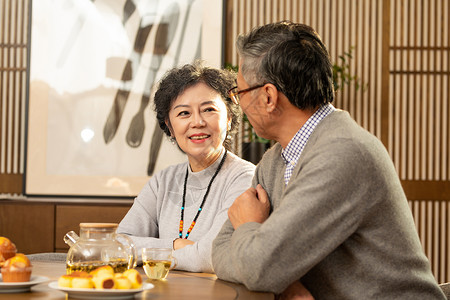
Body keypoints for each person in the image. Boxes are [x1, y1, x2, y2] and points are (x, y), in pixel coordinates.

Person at [211, 21, 445, 299]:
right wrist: (283, 279)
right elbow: (221, 251)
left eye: (239, 93)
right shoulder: (273, 161)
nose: (240, 104)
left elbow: (260, 269)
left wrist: (249, 226)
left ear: (268, 96)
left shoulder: (344, 152)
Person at [118, 63, 255, 273]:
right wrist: (175, 245)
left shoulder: (244, 178)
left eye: (209, 109)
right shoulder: (162, 181)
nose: (197, 122)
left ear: (228, 118)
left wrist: (149, 251)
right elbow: (119, 246)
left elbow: (209, 257)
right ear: (170, 127)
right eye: (184, 113)